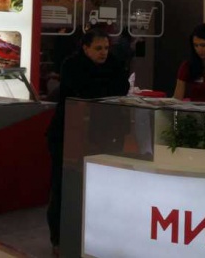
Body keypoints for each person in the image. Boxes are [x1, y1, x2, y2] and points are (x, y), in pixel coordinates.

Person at [46, 28, 129, 255]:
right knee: (64, 186)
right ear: (85, 48)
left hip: (101, 135)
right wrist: (105, 89)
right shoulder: (71, 65)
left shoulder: (113, 64)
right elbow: (85, 91)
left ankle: (93, 236)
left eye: (106, 48)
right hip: (67, 134)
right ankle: (59, 238)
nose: (103, 53)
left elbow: (122, 88)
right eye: (98, 48)